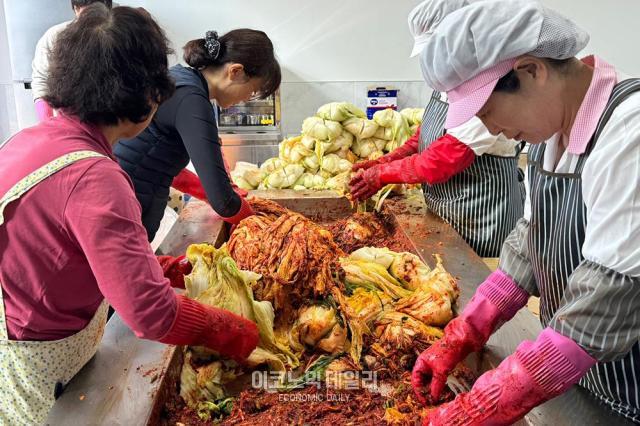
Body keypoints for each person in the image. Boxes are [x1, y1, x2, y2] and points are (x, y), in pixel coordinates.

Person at [0, 5, 258, 423]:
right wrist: (239, 331)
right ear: (146, 94)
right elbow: (150, 314)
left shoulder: (30, 140)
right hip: (37, 361)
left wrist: (166, 266)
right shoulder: (95, 177)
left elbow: (68, 249)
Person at [410, 0, 640, 424]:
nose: (491, 129)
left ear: (532, 71)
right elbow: (528, 238)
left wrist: (483, 405)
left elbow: (610, 295)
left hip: (632, 390)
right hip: (580, 373)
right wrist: (467, 329)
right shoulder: (547, 135)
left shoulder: (630, 132)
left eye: (488, 111)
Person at [348, 0, 525, 258]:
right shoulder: (452, 78)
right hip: (447, 216)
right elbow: (428, 133)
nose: (433, 61)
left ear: (461, 39)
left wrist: (381, 175)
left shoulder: (492, 85)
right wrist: (385, 161)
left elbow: (442, 159)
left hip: (480, 221)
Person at [114, 29, 281, 241]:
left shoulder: (180, 79)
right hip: (126, 213)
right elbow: (224, 202)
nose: (247, 98)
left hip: (126, 204)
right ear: (235, 71)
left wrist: (209, 191)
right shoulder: (191, 99)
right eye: (253, 90)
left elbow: (160, 160)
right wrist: (267, 231)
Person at [31, 0, 113, 122]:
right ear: (75, 9)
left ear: (108, 9)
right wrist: (46, 120)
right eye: (86, 12)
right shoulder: (55, 36)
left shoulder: (117, 37)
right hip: (66, 120)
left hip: (109, 119)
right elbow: (42, 80)